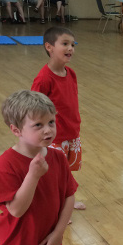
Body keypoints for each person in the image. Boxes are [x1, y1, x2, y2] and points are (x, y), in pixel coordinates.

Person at [0, 90, 77, 245]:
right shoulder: (5, 164)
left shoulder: (58, 157)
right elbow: (16, 210)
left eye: (51, 122)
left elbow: (69, 196)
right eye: (38, 125)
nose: (48, 130)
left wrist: (59, 233)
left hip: (49, 244)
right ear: (16, 130)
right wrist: (33, 175)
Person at [31, 27, 86, 214]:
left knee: (66, 172)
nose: (70, 48)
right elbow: (34, 111)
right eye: (65, 44)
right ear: (49, 47)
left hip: (71, 133)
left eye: (72, 44)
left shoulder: (71, 73)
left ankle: (67, 201)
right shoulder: (44, 79)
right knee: (53, 175)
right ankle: (56, 209)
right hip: (53, 138)